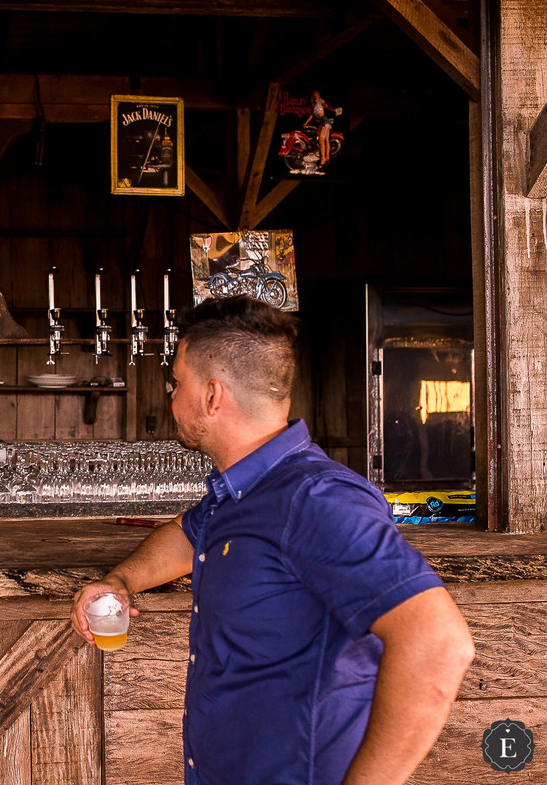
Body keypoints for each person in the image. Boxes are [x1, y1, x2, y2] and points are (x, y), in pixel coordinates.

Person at [71, 297, 473, 785]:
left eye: (177, 383)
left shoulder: (316, 499)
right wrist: (120, 580)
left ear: (213, 396)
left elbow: (438, 642)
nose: (171, 399)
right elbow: (186, 534)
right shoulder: (239, 490)